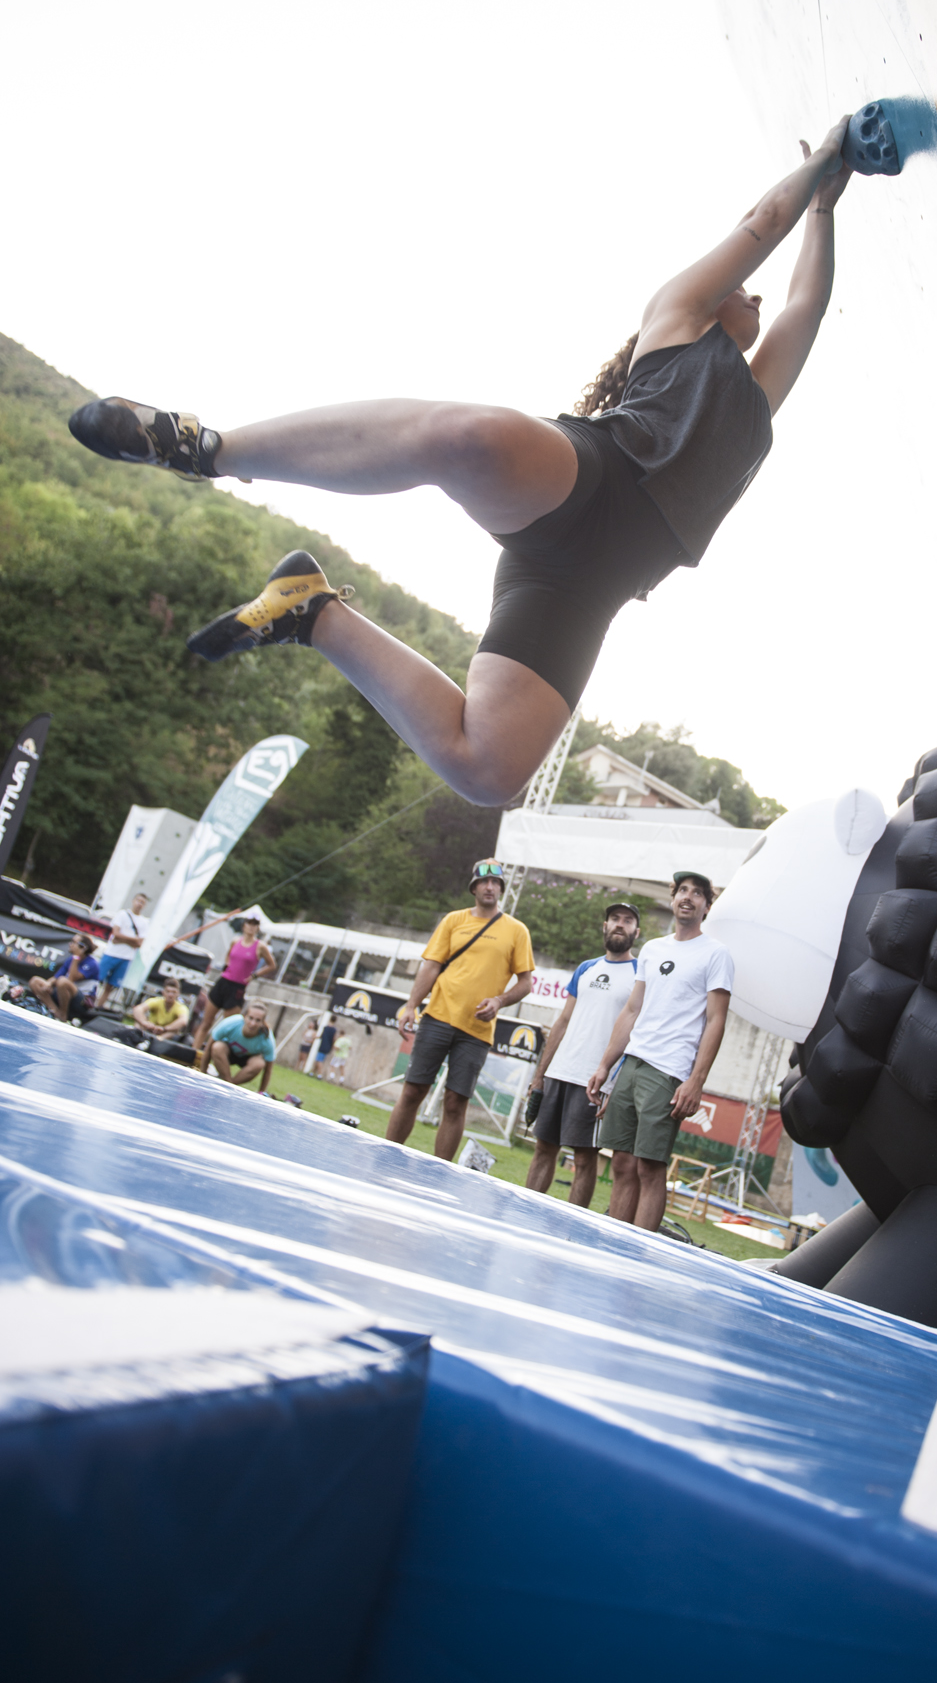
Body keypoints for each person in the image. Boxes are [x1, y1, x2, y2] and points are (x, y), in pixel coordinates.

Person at [68, 124, 853, 807]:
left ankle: (311, 613)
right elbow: (762, 221)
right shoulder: (675, 315)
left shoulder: (758, 399)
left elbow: (805, 308)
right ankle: (208, 448)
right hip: (590, 479)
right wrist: (822, 162)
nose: (756, 297)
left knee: (488, 771)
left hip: (588, 586)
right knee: (465, 437)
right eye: (744, 288)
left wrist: (824, 210)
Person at [587, 872, 733, 1233]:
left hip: (668, 1072)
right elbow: (632, 1010)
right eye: (682, 890)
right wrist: (606, 1066)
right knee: (621, 1163)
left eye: (697, 893)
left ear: (707, 907)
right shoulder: (652, 949)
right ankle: (613, 1241)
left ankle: (640, 1252)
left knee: (649, 1167)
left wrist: (696, 1081)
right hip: (632, 1064)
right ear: (673, 898)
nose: (688, 897)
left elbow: (716, 1020)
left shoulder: (716, 954)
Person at [386, 859, 534, 1161]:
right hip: (437, 1017)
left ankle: (440, 1172)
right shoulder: (453, 920)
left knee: (455, 1102)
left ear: (501, 889)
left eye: (496, 883)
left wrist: (499, 1001)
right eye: (484, 882)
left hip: (476, 1031)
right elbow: (431, 967)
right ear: (474, 887)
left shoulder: (517, 931)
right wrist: (411, 1006)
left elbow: (526, 983)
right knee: (413, 1091)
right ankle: (387, 1155)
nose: (490, 887)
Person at [523, 902, 641, 1208]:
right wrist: (540, 1076)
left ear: (636, 931)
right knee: (543, 1148)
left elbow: (637, 1034)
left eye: (628, 920)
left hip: (596, 1080)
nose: (620, 924)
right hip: (559, 1072)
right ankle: (523, 1213)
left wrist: (614, 1085)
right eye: (614, 918)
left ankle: (572, 1229)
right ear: (605, 926)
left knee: (585, 1159)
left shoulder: (640, 974)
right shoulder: (586, 968)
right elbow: (562, 1022)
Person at [192, 916, 276, 1050]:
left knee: (227, 1027)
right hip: (223, 983)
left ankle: (212, 1053)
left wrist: (254, 975)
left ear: (257, 928)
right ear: (244, 926)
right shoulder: (236, 941)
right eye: (249, 924)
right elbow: (229, 955)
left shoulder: (260, 946)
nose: (251, 927)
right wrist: (227, 966)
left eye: (254, 925)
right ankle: (193, 1051)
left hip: (237, 987)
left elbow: (272, 965)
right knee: (206, 1022)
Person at [200, 999, 277, 1092]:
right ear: (244, 1016)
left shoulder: (267, 1039)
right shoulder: (231, 1023)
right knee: (217, 1047)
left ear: (263, 1023)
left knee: (259, 1063)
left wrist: (261, 1092)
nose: (252, 1023)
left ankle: (230, 1086)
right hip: (227, 1053)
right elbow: (208, 1049)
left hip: (247, 1059)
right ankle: (227, 1083)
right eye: (250, 1018)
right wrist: (202, 1074)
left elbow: (268, 1070)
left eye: (258, 1020)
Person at [94, 892, 150, 1010]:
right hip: (111, 953)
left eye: (142, 902)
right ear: (133, 901)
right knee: (96, 979)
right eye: (138, 901)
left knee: (111, 986)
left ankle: (98, 1006)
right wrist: (133, 940)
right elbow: (116, 933)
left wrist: (121, 939)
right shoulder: (122, 914)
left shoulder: (144, 922)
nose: (139, 904)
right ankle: (90, 1001)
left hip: (126, 957)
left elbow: (139, 943)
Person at [31, 935, 101, 1022]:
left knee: (63, 982)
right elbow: (56, 977)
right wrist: (48, 984)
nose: (70, 944)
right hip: (64, 994)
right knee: (35, 981)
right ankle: (55, 1011)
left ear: (82, 947)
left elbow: (71, 979)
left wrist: (76, 957)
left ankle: (63, 1015)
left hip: (82, 1002)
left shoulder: (92, 964)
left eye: (73, 942)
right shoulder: (70, 959)